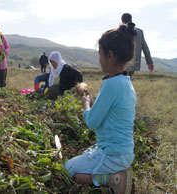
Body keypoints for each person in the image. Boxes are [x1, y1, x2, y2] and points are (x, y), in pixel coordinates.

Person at [64, 24, 137, 194]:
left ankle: (115, 179)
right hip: (123, 151)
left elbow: (91, 122)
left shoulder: (110, 84)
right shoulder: (126, 83)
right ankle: (116, 173)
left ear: (110, 55)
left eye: (99, 54)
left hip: (113, 154)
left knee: (66, 170)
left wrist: (86, 104)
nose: (99, 59)